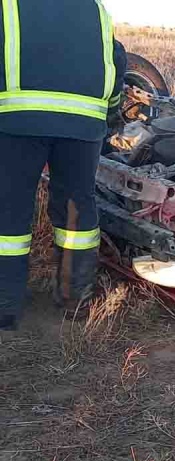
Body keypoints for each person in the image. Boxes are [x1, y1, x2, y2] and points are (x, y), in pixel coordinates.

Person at [0, 0, 127, 331]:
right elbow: (116, 62)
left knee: (9, 213)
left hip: (17, 121)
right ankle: (75, 299)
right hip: (84, 123)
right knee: (77, 209)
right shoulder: (95, 9)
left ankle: (5, 306)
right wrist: (111, 110)